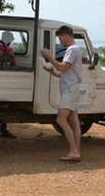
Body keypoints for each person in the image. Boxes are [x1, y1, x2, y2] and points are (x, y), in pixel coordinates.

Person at [40, 25, 83, 162]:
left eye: (60, 38)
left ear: (65, 36)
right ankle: (76, 150)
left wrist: (49, 57)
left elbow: (63, 66)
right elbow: (67, 72)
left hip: (69, 89)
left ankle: (74, 151)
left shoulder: (71, 50)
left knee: (61, 119)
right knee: (74, 120)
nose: (60, 42)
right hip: (72, 87)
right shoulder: (76, 50)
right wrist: (53, 72)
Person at [0, 31, 17, 138]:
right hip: (5, 79)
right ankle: (3, 129)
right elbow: (14, 64)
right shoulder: (9, 50)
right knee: (5, 107)